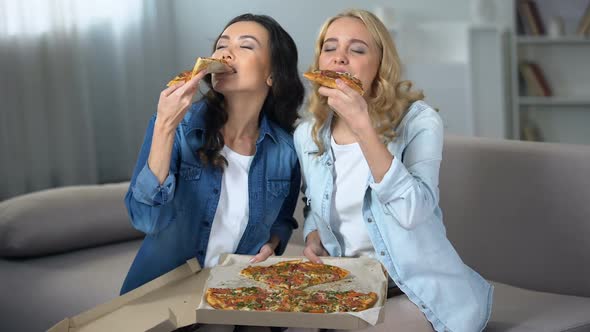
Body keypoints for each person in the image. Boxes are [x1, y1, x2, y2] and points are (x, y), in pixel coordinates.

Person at [292, 9, 492, 332]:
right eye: (330, 48)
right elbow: (314, 204)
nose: (340, 58)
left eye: (357, 49)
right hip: (348, 288)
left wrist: (363, 128)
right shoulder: (307, 134)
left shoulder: (419, 122)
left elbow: (414, 211)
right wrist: (314, 235)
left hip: (417, 292)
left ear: (380, 64)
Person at [120, 13, 304, 296]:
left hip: (235, 293)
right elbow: (146, 220)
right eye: (221, 45)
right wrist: (164, 127)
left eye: (246, 45)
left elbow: (281, 220)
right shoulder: (179, 127)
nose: (226, 53)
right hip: (165, 297)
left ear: (273, 75)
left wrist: (274, 243)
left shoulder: (286, 149)